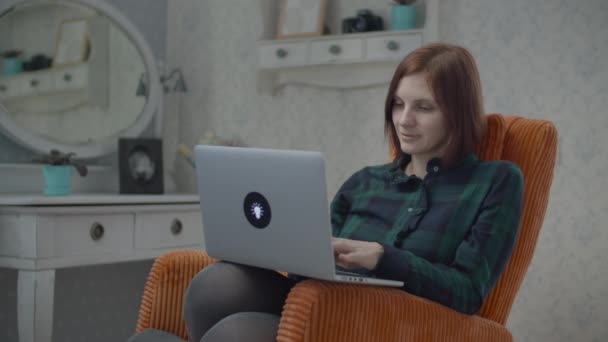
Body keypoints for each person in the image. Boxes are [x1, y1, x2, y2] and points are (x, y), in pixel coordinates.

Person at [182, 43, 524, 342]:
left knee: (236, 333)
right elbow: (308, 262)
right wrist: (278, 247)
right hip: (316, 302)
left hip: (389, 325)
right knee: (214, 284)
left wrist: (383, 257)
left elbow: (467, 291)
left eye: (423, 107)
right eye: (397, 104)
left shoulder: (495, 181)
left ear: (458, 113)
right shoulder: (364, 182)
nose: (404, 120)